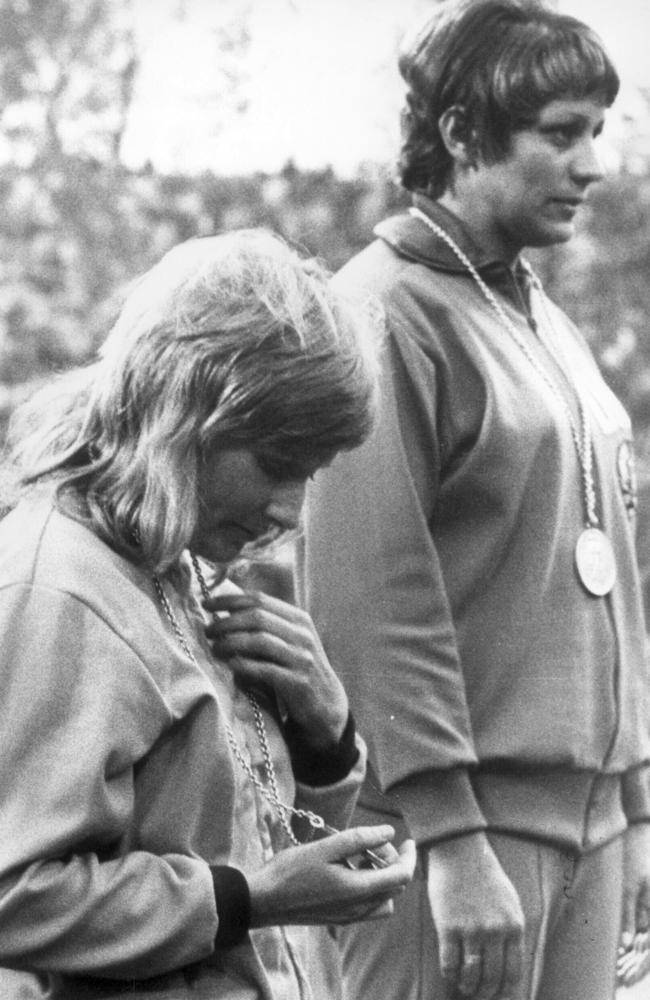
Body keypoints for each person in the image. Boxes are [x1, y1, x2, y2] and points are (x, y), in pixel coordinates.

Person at [299, 2, 650, 998]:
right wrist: (448, 840)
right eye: (558, 133)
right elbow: (370, 596)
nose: (591, 165)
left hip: (587, 825)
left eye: (596, 130)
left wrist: (633, 801)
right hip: (454, 844)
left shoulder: (531, 307)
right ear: (458, 134)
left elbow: (607, 569)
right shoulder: (383, 312)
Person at [0, 229, 416, 1000]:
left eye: (310, 474)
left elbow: (235, 837)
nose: (289, 509)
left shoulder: (172, 557)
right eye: (274, 463)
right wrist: (243, 903)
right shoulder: (57, 586)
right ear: (184, 412)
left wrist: (326, 740)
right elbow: (13, 894)